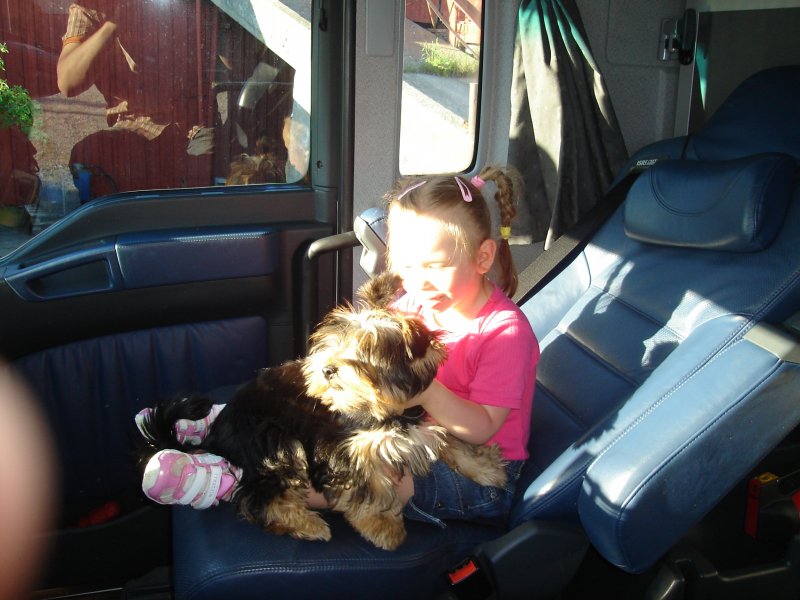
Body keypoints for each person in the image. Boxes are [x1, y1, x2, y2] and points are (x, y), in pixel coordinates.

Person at [138, 166, 540, 527]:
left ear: (483, 257)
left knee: (372, 479)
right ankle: (232, 423)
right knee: (325, 396)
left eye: (434, 266)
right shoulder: (417, 302)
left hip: (472, 475)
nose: (418, 281)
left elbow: (482, 428)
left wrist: (424, 390)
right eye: (406, 265)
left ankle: (235, 484)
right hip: (417, 431)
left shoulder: (504, 333)